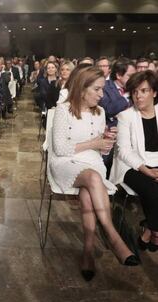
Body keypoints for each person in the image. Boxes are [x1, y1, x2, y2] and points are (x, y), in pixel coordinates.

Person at [50, 66, 139, 282]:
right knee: (92, 178)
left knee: (89, 189)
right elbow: (60, 148)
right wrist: (94, 142)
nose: (102, 94)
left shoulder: (100, 112)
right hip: (65, 163)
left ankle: (88, 251)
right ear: (82, 89)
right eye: (97, 89)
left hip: (92, 163)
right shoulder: (64, 110)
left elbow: (100, 151)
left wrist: (107, 142)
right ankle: (112, 235)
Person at [109, 70, 158, 252]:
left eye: (144, 91)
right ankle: (154, 231)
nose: (138, 96)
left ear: (154, 92)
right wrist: (147, 170)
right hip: (132, 166)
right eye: (135, 92)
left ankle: (149, 230)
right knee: (152, 189)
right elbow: (123, 151)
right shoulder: (126, 116)